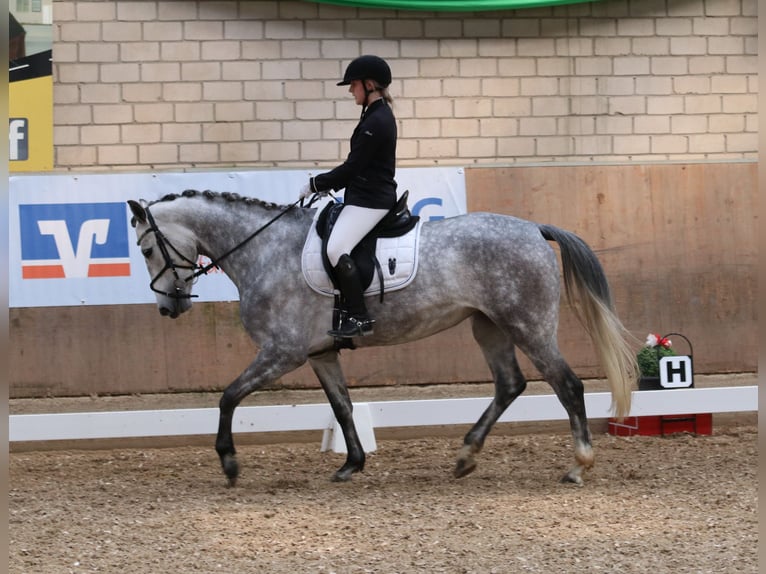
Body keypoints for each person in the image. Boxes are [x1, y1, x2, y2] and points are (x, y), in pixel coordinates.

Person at [299, 55, 398, 338]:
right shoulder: (372, 114)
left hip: (372, 200)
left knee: (335, 248)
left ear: (369, 84)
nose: (350, 90)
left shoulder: (377, 120)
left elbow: (353, 167)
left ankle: (359, 316)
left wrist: (316, 183)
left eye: (353, 84)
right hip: (364, 195)